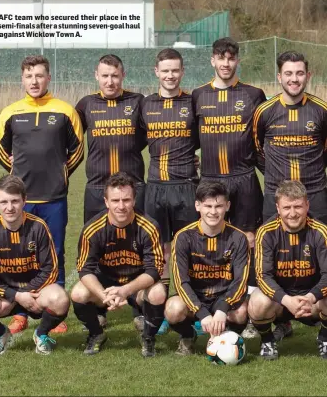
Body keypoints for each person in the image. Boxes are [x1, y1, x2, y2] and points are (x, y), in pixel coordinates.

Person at [0, 55, 84, 334]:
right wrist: (17, 180)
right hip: (20, 202)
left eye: (39, 75)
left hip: (54, 198)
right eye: (29, 76)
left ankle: (52, 312)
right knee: (18, 255)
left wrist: (59, 173)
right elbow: (1, 150)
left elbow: (77, 150)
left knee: (53, 254)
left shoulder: (65, 111)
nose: (34, 81)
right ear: (22, 79)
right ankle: (20, 312)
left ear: (48, 78)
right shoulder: (10, 112)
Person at [192, 37, 267, 338]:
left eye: (231, 58)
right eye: (220, 58)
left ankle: (248, 313)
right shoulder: (198, 95)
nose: (225, 63)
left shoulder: (253, 94)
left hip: (244, 178)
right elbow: (190, 140)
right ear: (212, 60)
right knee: (212, 242)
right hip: (210, 180)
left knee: (248, 242)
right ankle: (209, 307)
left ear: (237, 61)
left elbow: (263, 139)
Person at [253, 51, 327, 339]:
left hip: (316, 194)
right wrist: (278, 182)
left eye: (299, 73)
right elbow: (257, 149)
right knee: (273, 254)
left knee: (318, 256)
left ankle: (319, 316)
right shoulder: (265, 111)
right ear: (279, 77)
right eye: (288, 73)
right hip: (275, 195)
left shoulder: (321, 110)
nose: (294, 79)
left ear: (308, 76)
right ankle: (280, 318)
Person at [75, 54, 147, 328]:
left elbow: (149, 136)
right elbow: (69, 139)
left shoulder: (137, 102)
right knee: (97, 248)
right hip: (96, 188)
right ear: (96, 76)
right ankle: (101, 303)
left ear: (123, 76)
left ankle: (138, 305)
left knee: (136, 247)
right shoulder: (86, 105)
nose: (110, 81)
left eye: (115, 75)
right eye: (105, 76)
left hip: (133, 188)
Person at [0, 175, 70, 355]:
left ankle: (41, 333)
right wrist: (15, 296)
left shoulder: (38, 227)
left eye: (15, 201)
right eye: (4, 202)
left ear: (24, 201)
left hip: (35, 294)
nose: (10, 207)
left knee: (60, 299)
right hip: (3, 296)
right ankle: (1, 333)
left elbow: (50, 270)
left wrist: (25, 294)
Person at [71, 172, 166, 357]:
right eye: (115, 200)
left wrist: (125, 291)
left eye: (126, 200)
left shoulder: (149, 226)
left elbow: (154, 270)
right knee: (78, 292)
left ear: (134, 200)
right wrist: (104, 295)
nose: (121, 206)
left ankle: (148, 338)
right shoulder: (92, 229)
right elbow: (84, 269)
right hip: (105, 285)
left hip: (136, 285)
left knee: (158, 292)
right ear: (106, 201)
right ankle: (96, 334)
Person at [140, 48, 200, 335]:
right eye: (165, 70)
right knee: (160, 251)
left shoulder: (193, 102)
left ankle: (196, 309)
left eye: (175, 70)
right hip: (155, 188)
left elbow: (204, 139)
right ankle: (160, 312)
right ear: (156, 72)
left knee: (190, 248)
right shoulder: (145, 105)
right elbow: (135, 140)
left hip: (186, 186)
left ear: (182, 71)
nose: (170, 75)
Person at [165, 181, 250, 355]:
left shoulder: (239, 238)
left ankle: (227, 339)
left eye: (218, 206)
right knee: (173, 309)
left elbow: (240, 281)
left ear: (227, 206)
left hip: (224, 296)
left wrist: (223, 308)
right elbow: (181, 282)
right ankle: (188, 336)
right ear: (198, 206)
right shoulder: (183, 237)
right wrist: (201, 312)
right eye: (208, 206)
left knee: (242, 312)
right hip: (196, 297)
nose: (213, 212)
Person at [248, 180, 327, 360]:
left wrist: (311, 297)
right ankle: (267, 340)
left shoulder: (321, 231)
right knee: (258, 301)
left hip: (311, 301)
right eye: (287, 207)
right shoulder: (266, 232)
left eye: (298, 206)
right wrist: (286, 300)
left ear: (307, 205)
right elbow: (262, 276)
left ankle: (324, 338)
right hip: (280, 300)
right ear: (277, 208)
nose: (292, 213)